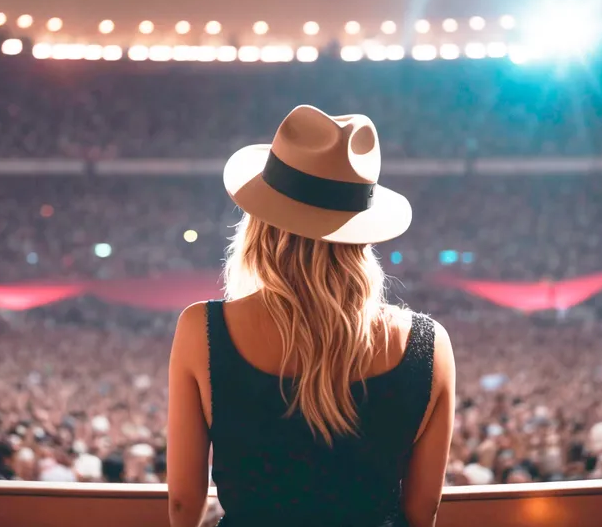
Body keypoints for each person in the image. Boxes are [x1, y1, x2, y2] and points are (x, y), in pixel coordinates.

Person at [167, 105, 456, 527]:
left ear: (262, 226)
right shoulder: (429, 343)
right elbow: (422, 509)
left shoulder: (201, 329)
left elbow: (183, 502)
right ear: (362, 232)